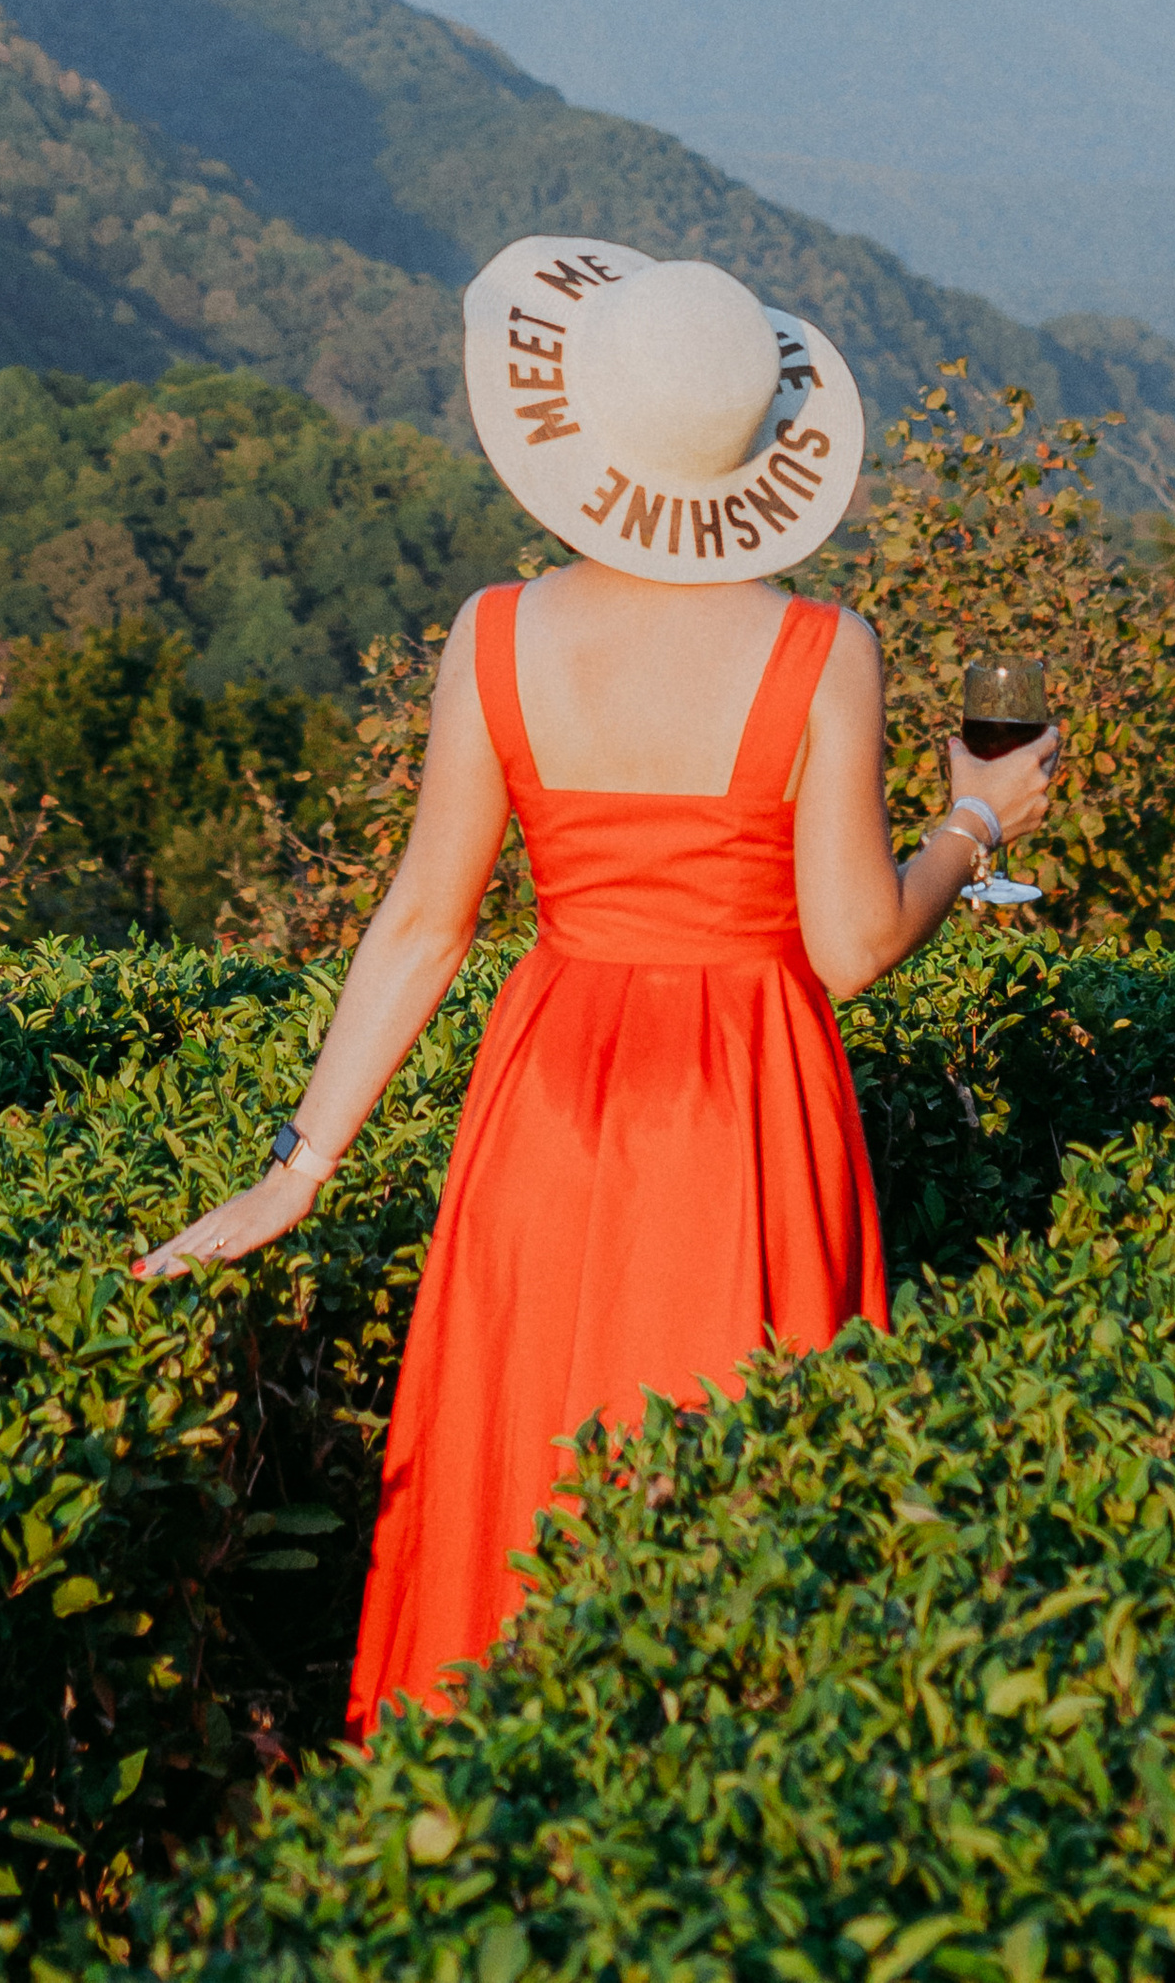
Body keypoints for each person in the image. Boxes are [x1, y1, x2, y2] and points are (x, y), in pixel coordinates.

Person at [135, 239, 1061, 1732]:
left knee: (529, 1456)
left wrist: (300, 1167)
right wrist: (973, 825)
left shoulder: (497, 634)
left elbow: (424, 922)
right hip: (749, 1103)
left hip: (552, 1097)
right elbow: (854, 945)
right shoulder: (826, 649)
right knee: (737, 1483)